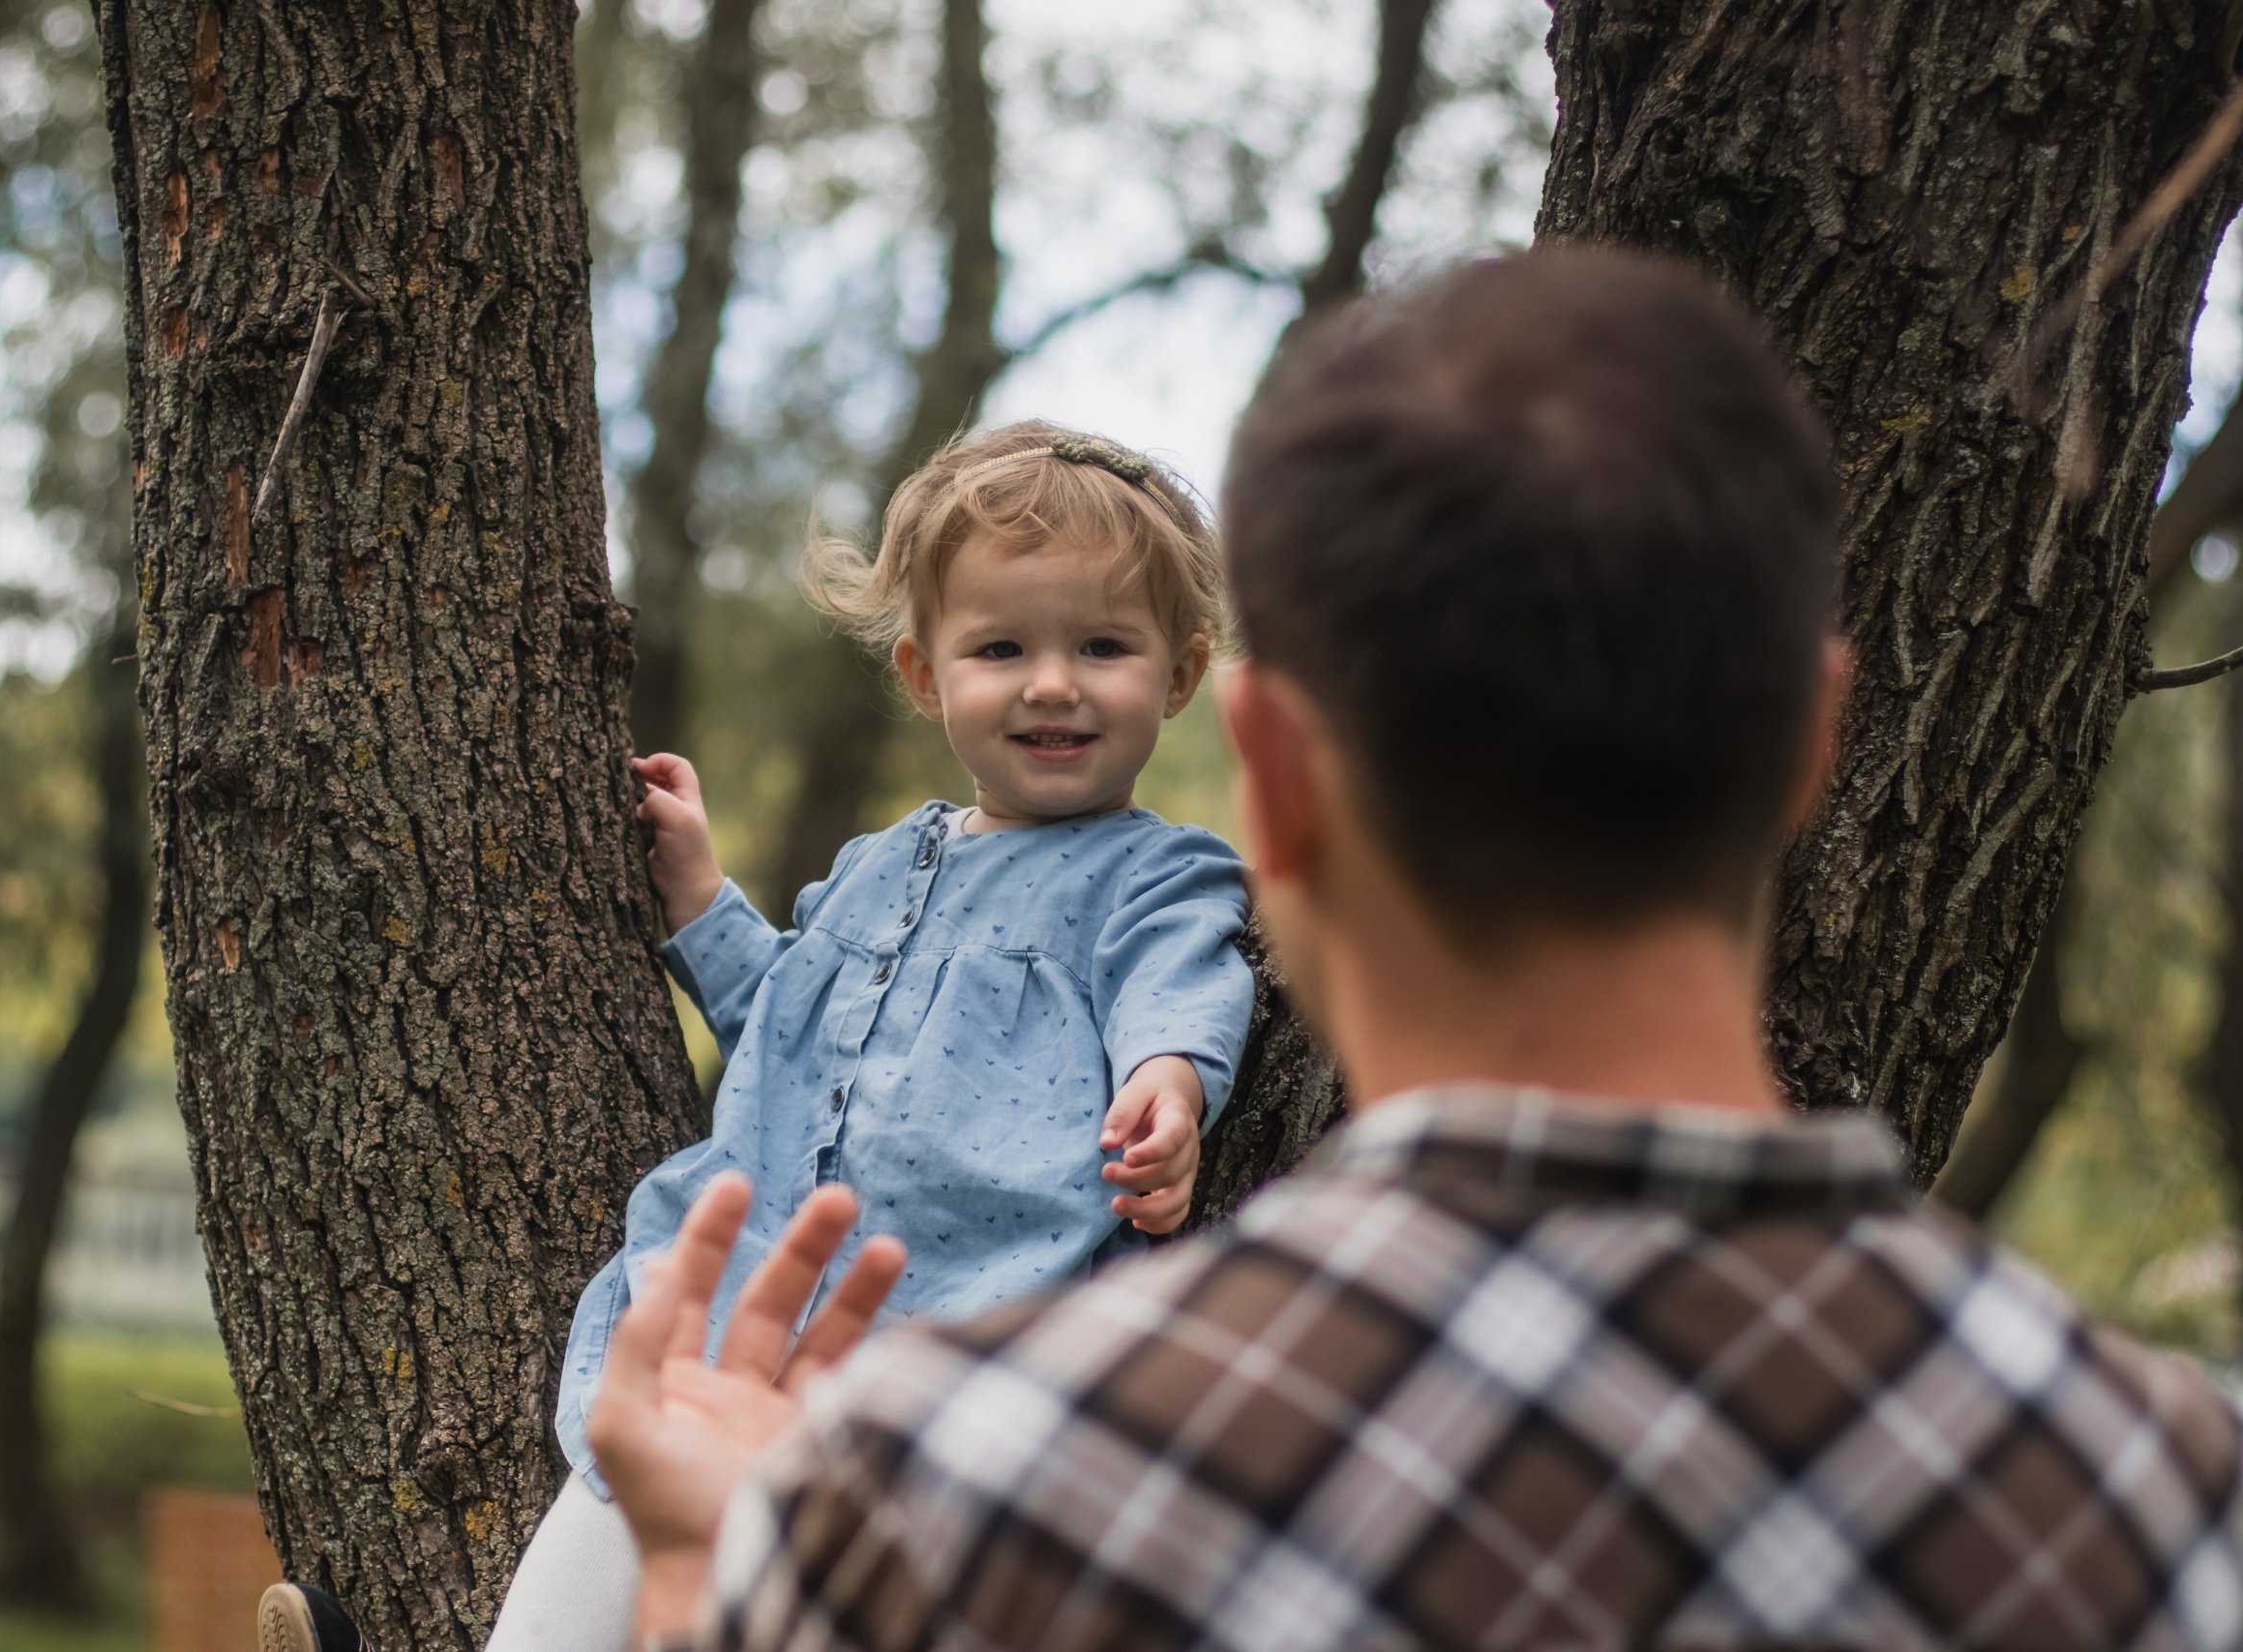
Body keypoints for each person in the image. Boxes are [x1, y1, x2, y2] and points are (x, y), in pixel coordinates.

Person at [587, 248, 2243, 1652]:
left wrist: (695, 1584)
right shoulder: (2166, 1500)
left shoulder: (974, 1482)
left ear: (1274, 778)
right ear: (1814, 744)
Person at [416, 420, 1256, 1652]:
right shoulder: (877, 869)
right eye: (1002, 647)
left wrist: (1169, 1088)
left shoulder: (1151, 877)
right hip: (718, 1327)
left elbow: (1175, 989)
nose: (1053, 682)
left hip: (940, 1362)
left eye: (1105, 647)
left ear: (1177, 678)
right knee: (590, 1569)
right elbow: (792, 1040)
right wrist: (702, 898)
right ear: (926, 677)